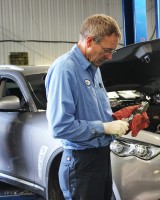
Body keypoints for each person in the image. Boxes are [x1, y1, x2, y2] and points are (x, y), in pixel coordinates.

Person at [45, 14, 129, 200]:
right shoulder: (65, 69)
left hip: (100, 158)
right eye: (107, 50)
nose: (110, 56)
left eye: (113, 50)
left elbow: (92, 112)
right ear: (90, 41)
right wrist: (104, 127)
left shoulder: (94, 68)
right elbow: (60, 126)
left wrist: (116, 118)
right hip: (81, 163)